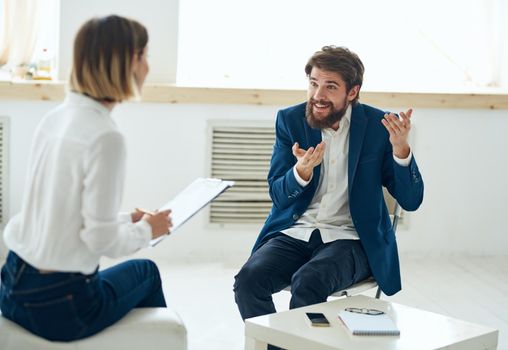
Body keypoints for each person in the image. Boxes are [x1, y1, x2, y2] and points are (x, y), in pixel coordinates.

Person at [0, 15, 172, 341]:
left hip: (11, 284)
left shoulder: (56, 118)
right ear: (125, 63)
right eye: (144, 56)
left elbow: (58, 213)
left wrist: (126, 219)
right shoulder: (106, 137)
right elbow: (101, 241)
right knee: (146, 272)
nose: (148, 67)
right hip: (58, 304)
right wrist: (149, 229)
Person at [234, 46, 424, 322]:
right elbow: (278, 194)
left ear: (352, 92)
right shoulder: (290, 120)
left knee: (308, 282)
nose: (318, 96)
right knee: (248, 281)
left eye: (330, 87)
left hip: (352, 239)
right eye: (313, 84)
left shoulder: (378, 126)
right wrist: (301, 171)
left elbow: (411, 200)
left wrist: (401, 150)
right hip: (296, 231)